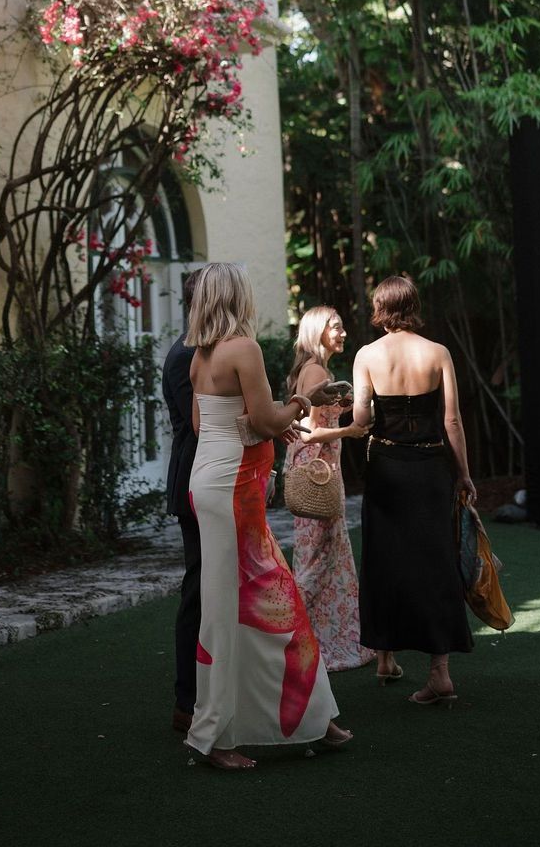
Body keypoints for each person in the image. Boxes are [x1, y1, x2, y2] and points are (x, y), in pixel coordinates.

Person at [185, 262, 352, 769]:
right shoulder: (244, 348)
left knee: (241, 607)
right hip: (235, 489)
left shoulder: (201, 355)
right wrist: (301, 401)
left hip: (210, 482)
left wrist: (266, 422)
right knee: (260, 603)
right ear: (238, 297)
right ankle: (217, 736)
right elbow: (265, 419)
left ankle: (313, 720)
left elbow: (205, 426)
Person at [353, 274, 474, 706]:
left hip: (385, 469)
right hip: (429, 469)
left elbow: (362, 419)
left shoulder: (366, 355)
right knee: (435, 561)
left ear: (380, 308)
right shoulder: (437, 352)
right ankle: (439, 672)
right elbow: (452, 422)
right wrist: (464, 474)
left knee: (384, 559)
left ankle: (385, 656)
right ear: (413, 304)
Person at [287, 307, 375, 674]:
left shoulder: (317, 370)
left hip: (324, 473)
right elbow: (307, 430)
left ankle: (319, 641)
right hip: (317, 477)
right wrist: (349, 432)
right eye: (334, 327)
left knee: (326, 557)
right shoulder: (315, 371)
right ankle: (286, 636)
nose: (341, 333)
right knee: (317, 560)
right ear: (317, 332)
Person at [161, 271, 201, 734]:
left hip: (209, 477)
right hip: (194, 480)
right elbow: (200, 426)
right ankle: (185, 700)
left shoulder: (200, 351)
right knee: (198, 591)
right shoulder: (184, 355)